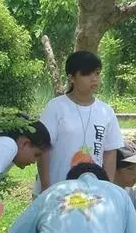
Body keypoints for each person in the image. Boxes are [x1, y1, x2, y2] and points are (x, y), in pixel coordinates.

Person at [34, 51, 123, 196]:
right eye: (87, 74)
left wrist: (108, 188)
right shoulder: (56, 107)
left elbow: (110, 151)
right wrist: (46, 187)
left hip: (92, 193)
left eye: (97, 73)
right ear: (71, 78)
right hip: (57, 190)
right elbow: (43, 149)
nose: (94, 79)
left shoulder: (106, 111)